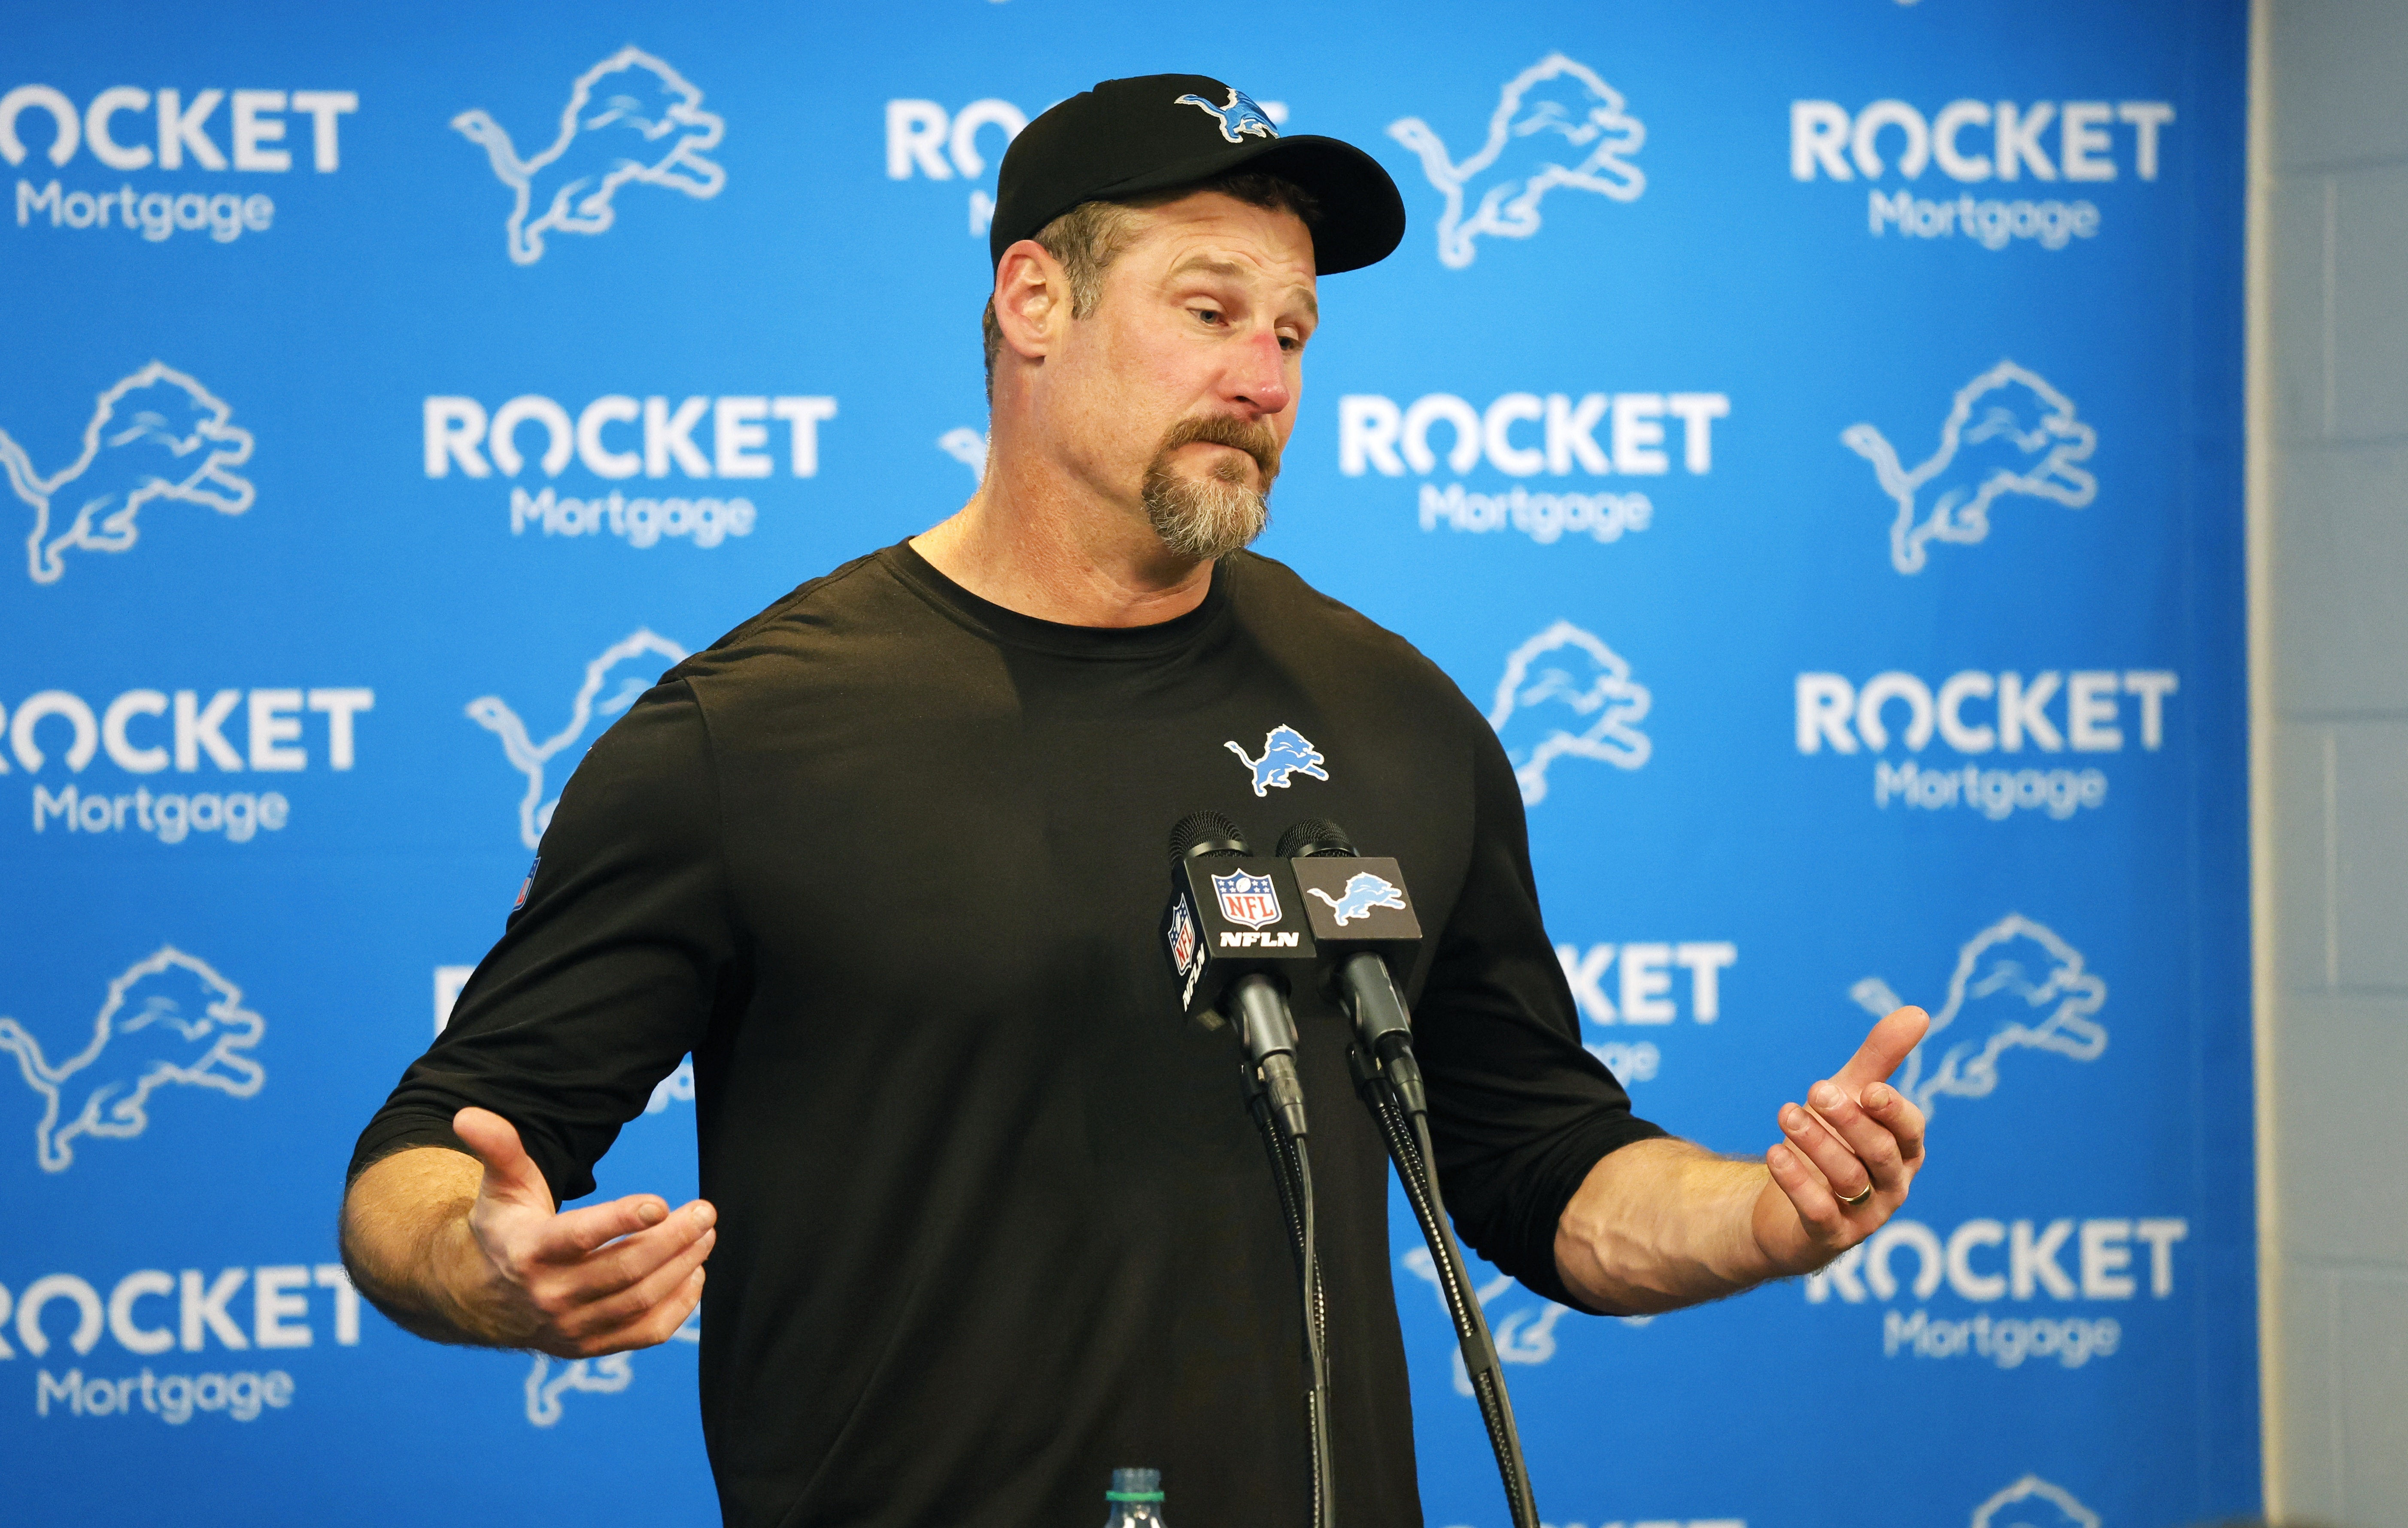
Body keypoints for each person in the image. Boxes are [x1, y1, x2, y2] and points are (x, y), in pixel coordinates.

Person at [341, 74, 1929, 1526]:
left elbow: (1541, 1167)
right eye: (1208, 309)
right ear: (1034, 300)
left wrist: (1761, 1218)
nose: (1261, 376)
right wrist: (485, 1271)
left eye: (1293, 334)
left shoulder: (1395, 718)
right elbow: (429, 1155)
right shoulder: (749, 735)